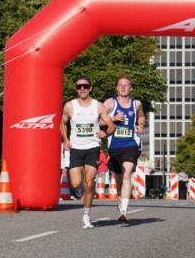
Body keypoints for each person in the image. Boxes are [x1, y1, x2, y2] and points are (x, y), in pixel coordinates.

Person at [61, 75, 115, 229]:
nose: (82, 89)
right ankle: (80, 190)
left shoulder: (98, 106)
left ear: (90, 88)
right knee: (76, 183)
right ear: (76, 89)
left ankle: (86, 215)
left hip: (93, 147)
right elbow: (62, 124)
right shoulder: (69, 106)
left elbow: (111, 125)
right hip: (76, 149)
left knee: (89, 182)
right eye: (79, 86)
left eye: (85, 86)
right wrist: (65, 140)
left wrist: (105, 133)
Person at [103, 76, 146, 223]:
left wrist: (140, 125)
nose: (122, 87)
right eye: (120, 85)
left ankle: (124, 211)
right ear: (116, 88)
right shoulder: (109, 103)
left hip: (131, 144)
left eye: (126, 85)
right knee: (119, 179)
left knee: (127, 173)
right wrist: (113, 119)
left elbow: (141, 117)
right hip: (114, 146)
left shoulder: (136, 104)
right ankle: (121, 200)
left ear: (131, 88)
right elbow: (98, 120)